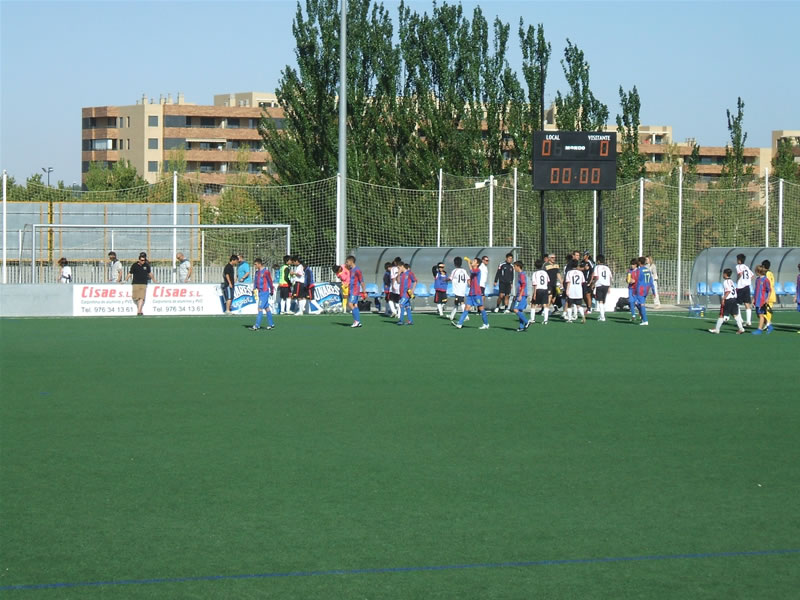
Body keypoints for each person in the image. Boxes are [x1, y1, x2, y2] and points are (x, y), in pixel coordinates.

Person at [454, 258, 489, 330]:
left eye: (474, 261)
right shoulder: (473, 271)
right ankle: (460, 324)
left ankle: (486, 324)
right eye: (472, 261)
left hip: (477, 293)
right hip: (471, 293)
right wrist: (469, 282)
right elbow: (471, 279)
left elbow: (472, 271)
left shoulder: (478, 270)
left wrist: (468, 262)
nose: (472, 261)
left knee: (481, 308)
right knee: (466, 308)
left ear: (477, 264)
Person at [708, 268, 745, 334]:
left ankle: (717, 329)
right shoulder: (731, 281)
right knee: (735, 315)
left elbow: (728, 291)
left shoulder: (726, 282)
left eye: (723, 273)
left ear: (725, 274)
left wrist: (723, 299)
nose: (723, 275)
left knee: (722, 314)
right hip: (734, 299)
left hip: (729, 300)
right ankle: (741, 329)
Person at [250, 258, 275, 330]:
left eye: (255, 264)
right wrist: (254, 288)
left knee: (260, 308)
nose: (254, 266)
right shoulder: (257, 272)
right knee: (267, 308)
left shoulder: (266, 272)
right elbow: (256, 281)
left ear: (259, 264)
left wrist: (272, 290)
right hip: (260, 292)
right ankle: (271, 324)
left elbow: (270, 281)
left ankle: (257, 325)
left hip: (264, 292)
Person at [590, 254, 613, 322]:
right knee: (603, 301)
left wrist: (593, 284)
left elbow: (596, 277)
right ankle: (602, 314)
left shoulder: (597, 267)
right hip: (606, 285)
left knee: (600, 301)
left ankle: (602, 317)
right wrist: (609, 286)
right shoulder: (607, 268)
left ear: (598, 261)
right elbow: (610, 277)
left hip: (600, 284)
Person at [751, 265, 772, 335]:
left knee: (761, 315)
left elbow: (769, 290)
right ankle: (769, 325)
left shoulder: (766, 280)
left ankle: (759, 329)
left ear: (758, 271)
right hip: (757, 300)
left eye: (755, 271)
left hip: (762, 301)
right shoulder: (757, 279)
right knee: (758, 315)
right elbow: (756, 290)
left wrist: (767, 299)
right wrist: (753, 299)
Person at [346, 255, 365, 328]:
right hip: (351, 290)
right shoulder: (351, 270)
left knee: (350, 304)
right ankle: (358, 321)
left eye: (347, 262)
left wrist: (364, 291)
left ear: (351, 261)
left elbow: (362, 281)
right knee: (355, 305)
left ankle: (356, 321)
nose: (346, 263)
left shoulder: (357, 270)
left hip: (355, 290)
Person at [735, 254, 754, 327]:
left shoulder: (738, 266)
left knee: (737, 304)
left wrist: (737, 280)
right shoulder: (746, 267)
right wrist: (747, 281)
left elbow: (740, 274)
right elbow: (752, 276)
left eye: (737, 259)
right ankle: (748, 321)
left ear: (739, 260)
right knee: (747, 303)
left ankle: (740, 320)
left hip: (741, 287)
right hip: (747, 287)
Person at [511, 261, 530, 331]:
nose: (514, 268)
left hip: (522, 295)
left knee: (515, 309)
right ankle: (521, 327)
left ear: (518, 266)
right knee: (520, 311)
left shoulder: (522, 274)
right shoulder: (520, 274)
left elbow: (523, 284)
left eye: (514, 266)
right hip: (520, 294)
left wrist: (520, 295)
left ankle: (527, 322)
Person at [633, 256, 652, 326]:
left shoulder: (639, 270)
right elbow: (651, 280)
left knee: (638, 303)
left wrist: (630, 281)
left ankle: (645, 320)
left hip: (640, 289)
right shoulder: (648, 270)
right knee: (639, 303)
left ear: (639, 262)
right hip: (646, 289)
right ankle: (643, 317)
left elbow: (635, 280)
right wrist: (653, 290)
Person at [448, 256, 469, 321]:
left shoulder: (455, 270)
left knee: (461, 302)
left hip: (458, 289)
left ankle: (466, 316)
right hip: (463, 288)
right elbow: (468, 278)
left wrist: (444, 280)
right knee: (456, 302)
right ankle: (452, 316)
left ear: (455, 263)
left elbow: (450, 278)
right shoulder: (464, 270)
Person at [530, 259, 550, 324]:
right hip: (545, 289)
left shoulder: (535, 273)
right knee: (545, 304)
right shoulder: (545, 273)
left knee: (533, 304)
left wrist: (534, 293)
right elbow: (548, 281)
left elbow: (535, 284)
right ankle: (545, 320)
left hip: (538, 289)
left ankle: (532, 319)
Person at [762, 259, 776, 330]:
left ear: (763, 266)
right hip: (772, 293)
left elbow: (768, 284)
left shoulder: (767, 274)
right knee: (768, 310)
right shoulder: (771, 273)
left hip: (768, 294)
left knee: (763, 310)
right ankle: (768, 324)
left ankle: (768, 323)